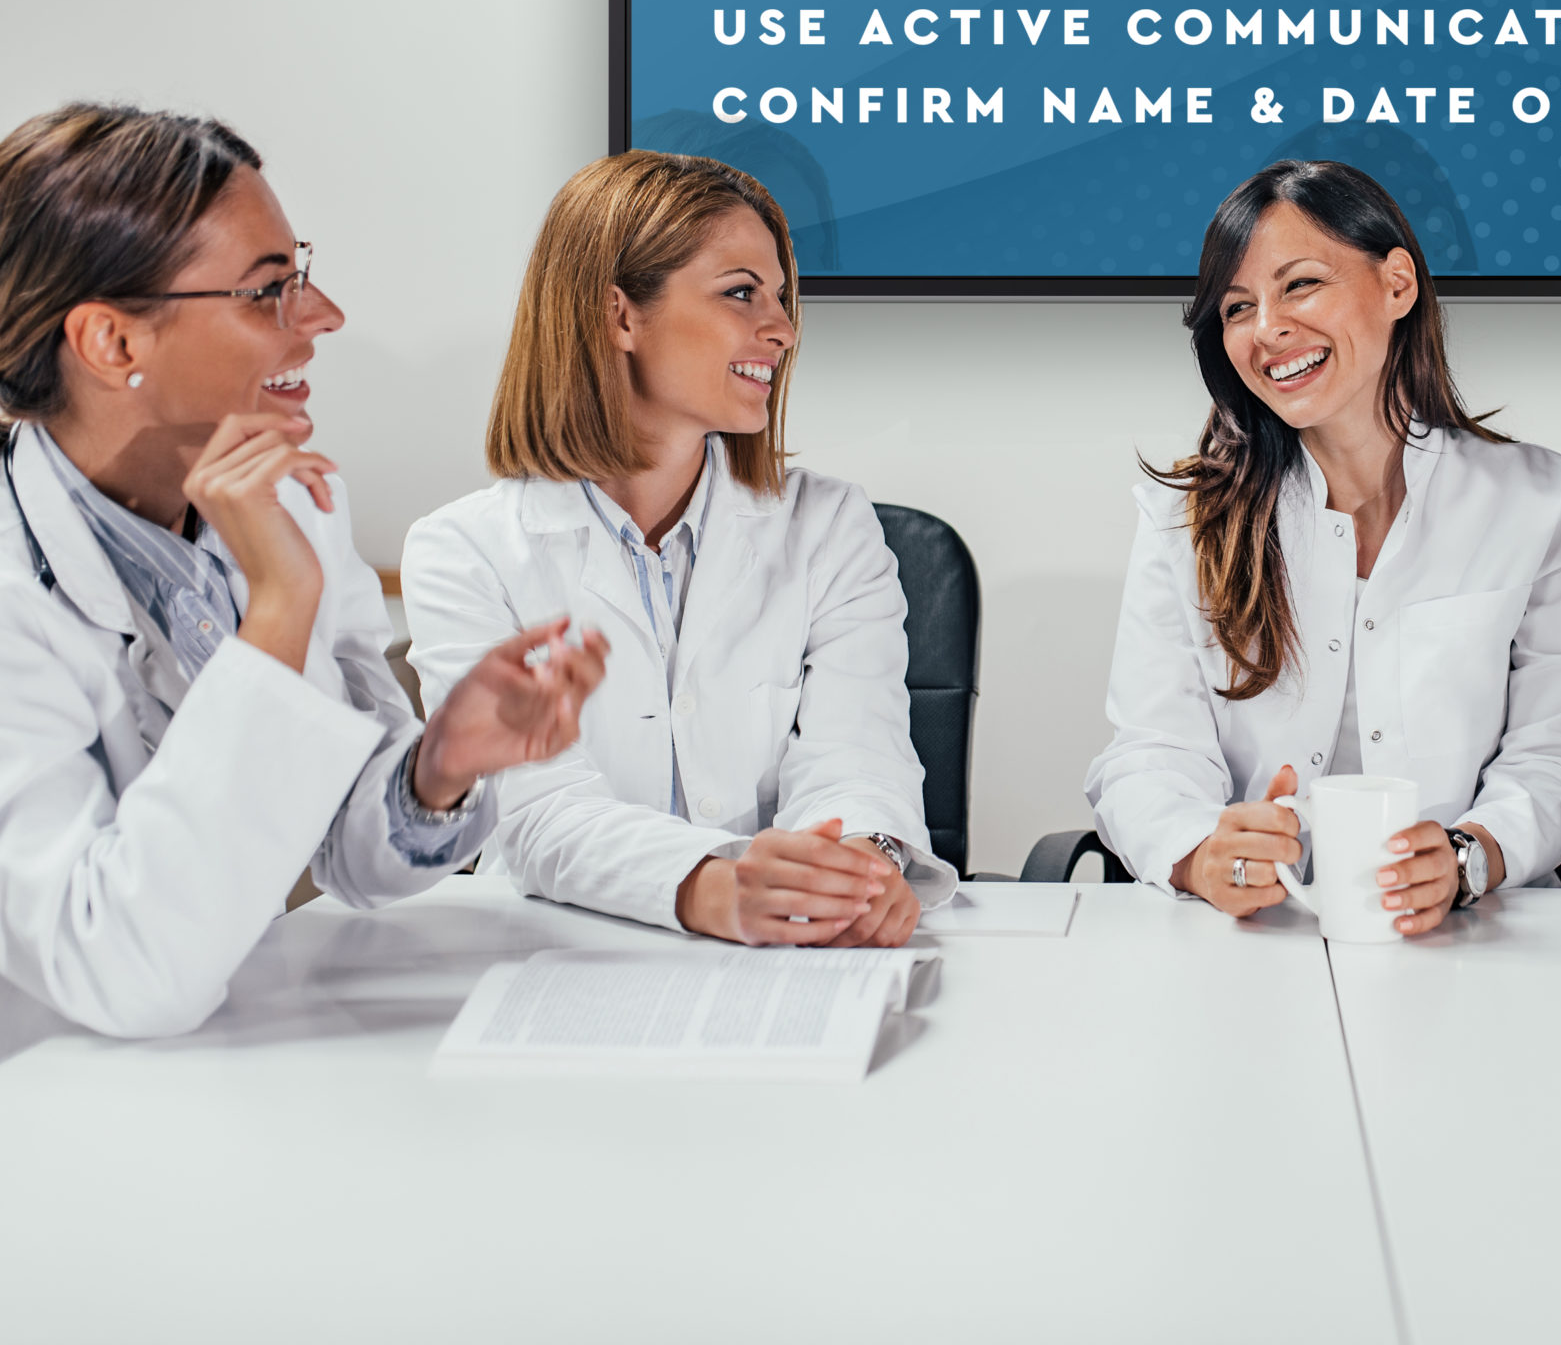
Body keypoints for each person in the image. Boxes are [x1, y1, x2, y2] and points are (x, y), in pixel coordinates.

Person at [0, 105, 607, 1039]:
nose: (323, 317)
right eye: (266, 290)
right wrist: (278, 613)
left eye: (303, 274)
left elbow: (352, 860)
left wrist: (437, 766)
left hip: (224, 1060)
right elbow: (127, 974)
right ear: (113, 343)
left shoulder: (293, 506)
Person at [402, 151, 951, 947]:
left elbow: (859, 757)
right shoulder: (464, 552)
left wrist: (861, 866)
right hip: (565, 960)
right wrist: (715, 889)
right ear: (620, 316)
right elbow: (531, 813)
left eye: (782, 298)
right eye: (740, 294)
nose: (783, 330)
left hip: (791, 954)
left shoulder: (831, 526)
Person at [1086, 160, 1561, 936]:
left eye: (1300, 285)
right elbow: (1148, 753)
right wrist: (1200, 853)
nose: (1267, 328)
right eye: (1239, 307)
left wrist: (1470, 856)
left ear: (1397, 285)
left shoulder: (1544, 503)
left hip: (1465, 937)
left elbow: (1558, 759)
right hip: (1247, 936)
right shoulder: (1185, 519)